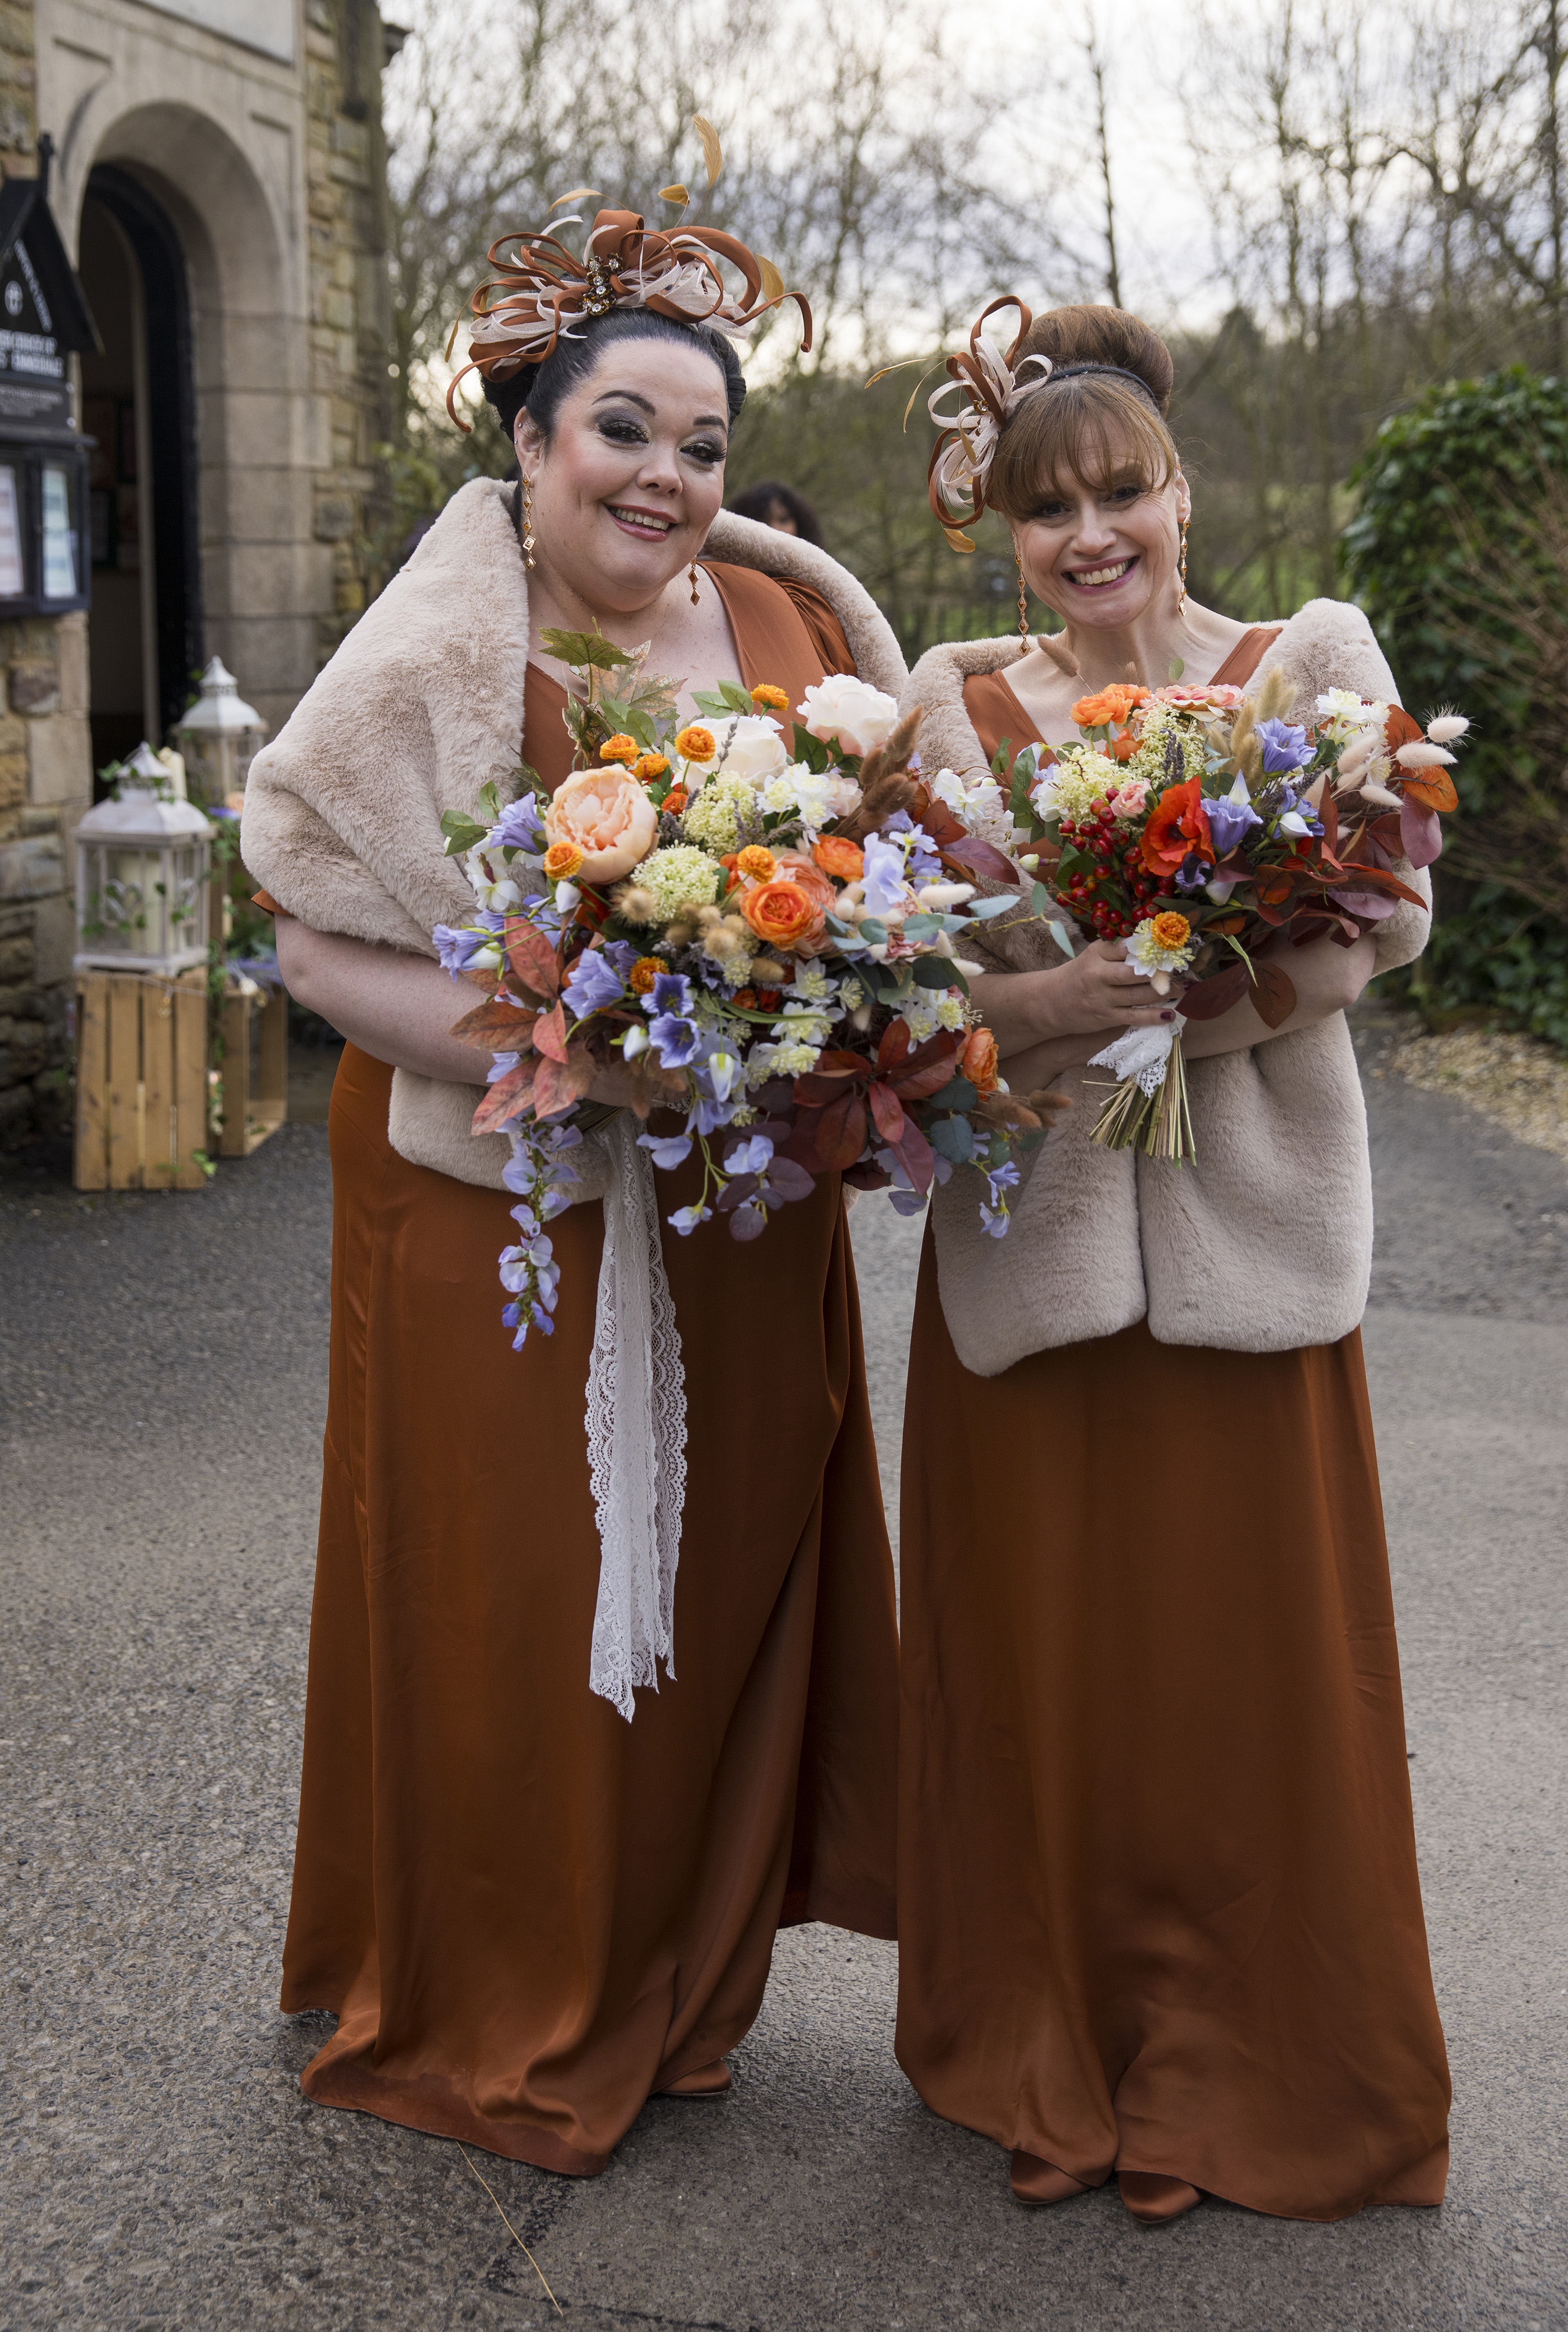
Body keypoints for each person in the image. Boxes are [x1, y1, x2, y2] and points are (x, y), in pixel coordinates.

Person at [241, 205, 907, 2176]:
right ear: (529, 439)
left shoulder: (795, 630)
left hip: (743, 1210)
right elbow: (302, 938)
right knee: (522, 1591)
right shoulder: (439, 647)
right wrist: (558, 1048)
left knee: (722, 1571)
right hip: (499, 1210)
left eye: (701, 444)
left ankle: (683, 1980)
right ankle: (509, 1979)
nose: (669, 478)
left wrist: (841, 1026)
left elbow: (886, 900)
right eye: (623, 429)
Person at [893, 301, 1451, 2225]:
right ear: (1007, 533)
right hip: (1031, 1254)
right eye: (1051, 508)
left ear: (1182, 491)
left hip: (1251, 1253)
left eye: (1124, 488)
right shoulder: (948, 703)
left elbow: (1383, 922)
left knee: (1236, 1678)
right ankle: (1054, 2048)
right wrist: (1050, 1000)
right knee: (1054, 1677)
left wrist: (1192, 995)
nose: (1092, 533)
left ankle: (1235, 2062)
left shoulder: (1303, 668)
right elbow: (900, 983)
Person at [729, 478, 825, 545]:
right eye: (763, 521)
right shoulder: (726, 570)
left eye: (783, 520)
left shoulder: (818, 571)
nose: (774, 528)